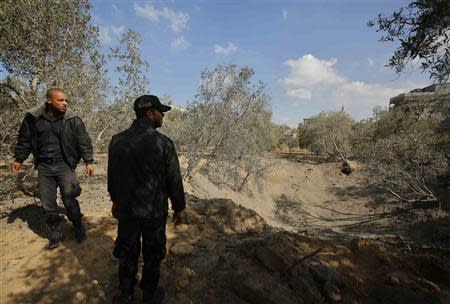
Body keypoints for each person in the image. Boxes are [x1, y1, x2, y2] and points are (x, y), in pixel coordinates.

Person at [108, 95, 185, 304]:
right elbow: (174, 180)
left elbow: (112, 178)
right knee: (153, 254)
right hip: (154, 212)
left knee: (127, 252)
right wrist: (179, 208)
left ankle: (126, 294)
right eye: (161, 112)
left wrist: (116, 201)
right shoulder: (164, 143)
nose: (162, 116)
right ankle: (149, 295)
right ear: (151, 113)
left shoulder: (117, 140)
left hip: (127, 211)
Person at [12, 88, 94, 249]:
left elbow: (83, 140)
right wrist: (19, 158)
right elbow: (25, 139)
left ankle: (77, 225)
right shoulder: (33, 117)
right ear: (49, 100)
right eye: (61, 100)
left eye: (66, 101)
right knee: (48, 203)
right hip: (44, 167)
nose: (65, 104)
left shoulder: (72, 119)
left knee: (69, 198)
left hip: (64, 165)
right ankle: (55, 234)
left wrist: (88, 161)